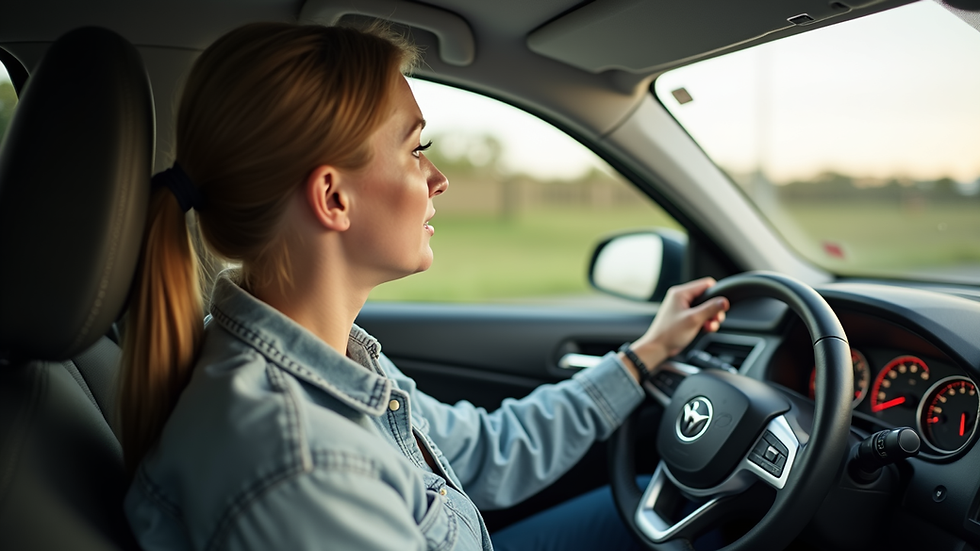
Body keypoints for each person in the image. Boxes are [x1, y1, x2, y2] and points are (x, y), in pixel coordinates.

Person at [119, 22, 729, 551]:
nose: (437, 179)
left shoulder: (331, 358)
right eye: (417, 149)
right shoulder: (305, 467)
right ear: (334, 197)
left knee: (668, 513)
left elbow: (489, 450)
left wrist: (643, 357)